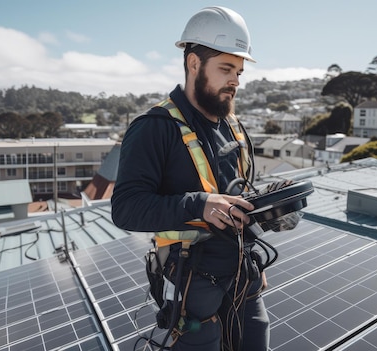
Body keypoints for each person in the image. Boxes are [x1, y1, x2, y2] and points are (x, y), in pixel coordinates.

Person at [111, 6, 269, 351]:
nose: (235, 81)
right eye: (226, 69)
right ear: (194, 63)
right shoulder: (155, 128)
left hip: (243, 277)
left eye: (239, 72)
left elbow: (239, 194)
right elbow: (125, 208)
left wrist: (269, 213)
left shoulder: (235, 128)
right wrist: (200, 204)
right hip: (193, 288)